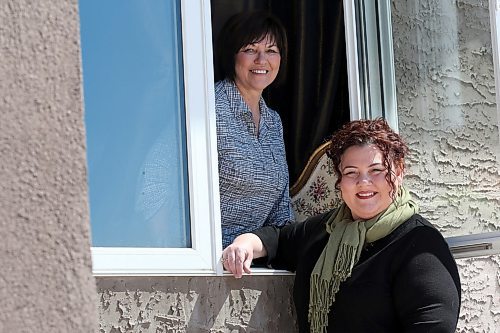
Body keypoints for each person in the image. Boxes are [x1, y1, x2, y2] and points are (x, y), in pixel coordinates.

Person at [221, 118, 461, 332]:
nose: (363, 182)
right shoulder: (327, 230)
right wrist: (244, 244)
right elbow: (278, 238)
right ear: (340, 180)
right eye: (351, 172)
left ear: (398, 172)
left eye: (376, 170)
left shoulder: (420, 246)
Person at [215, 11, 294, 249]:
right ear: (232, 55)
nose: (262, 60)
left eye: (271, 50)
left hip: (254, 255)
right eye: (250, 49)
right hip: (209, 260)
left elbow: (282, 212)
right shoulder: (206, 109)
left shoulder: (273, 121)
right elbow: (156, 192)